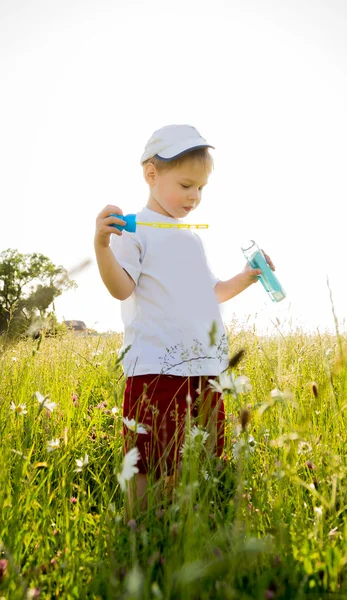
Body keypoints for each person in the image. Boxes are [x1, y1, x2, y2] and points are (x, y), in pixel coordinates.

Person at [94, 124, 275, 516]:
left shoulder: (190, 237)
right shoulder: (134, 228)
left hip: (205, 366)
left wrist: (245, 276)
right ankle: (138, 528)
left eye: (201, 189)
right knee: (149, 455)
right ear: (152, 174)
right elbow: (122, 288)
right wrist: (102, 247)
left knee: (204, 452)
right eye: (186, 185)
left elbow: (209, 294)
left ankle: (187, 524)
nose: (194, 197)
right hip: (156, 368)